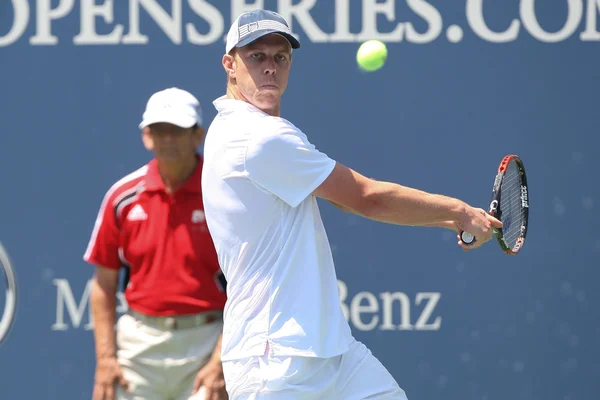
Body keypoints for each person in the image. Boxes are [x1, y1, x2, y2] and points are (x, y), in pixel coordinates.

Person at [201, 9, 502, 400]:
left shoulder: (234, 129)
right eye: (256, 56)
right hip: (274, 361)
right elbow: (365, 197)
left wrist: (449, 221)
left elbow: (344, 200)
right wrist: (460, 212)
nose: (270, 67)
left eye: (280, 57)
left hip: (333, 353)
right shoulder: (258, 137)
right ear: (230, 65)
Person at [84, 87, 228, 400]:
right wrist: (106, 360)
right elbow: (104, 285)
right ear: (147, 137)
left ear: (198, 135)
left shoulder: (225, 195)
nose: (168, 140)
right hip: (138, 348)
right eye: (160, 131)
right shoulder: (122, 198)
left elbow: (249, 286)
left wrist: (220, 360)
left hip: (207, 342)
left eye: (177, 130)